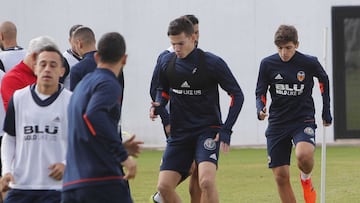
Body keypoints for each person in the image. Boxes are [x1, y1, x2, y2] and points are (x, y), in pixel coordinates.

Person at [149, 17, 244, 203]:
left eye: (181, 43)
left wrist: (226, 129)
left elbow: (237, 95)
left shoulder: (212, 63)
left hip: (207, 131)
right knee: (164, 187)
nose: (177, 48)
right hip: (179, 134)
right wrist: (159, 106)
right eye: (173, 44)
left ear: (193, 38)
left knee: (206, 182)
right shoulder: (166, 62)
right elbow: (162, 91)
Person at [255, 24, 332, 203]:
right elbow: (260, 91)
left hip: (302, 119)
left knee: (303, 154)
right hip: (277, 122)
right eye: (280, 48)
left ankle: (306, 179)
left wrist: (326, 110)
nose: (284, 52)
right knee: (281, 176)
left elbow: (324, 80)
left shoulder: (309, 62)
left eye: (288, 48)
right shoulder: (267, 64)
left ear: (296, 45)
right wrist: (260, 107)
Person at [62, 32, 136, 203]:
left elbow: (84, 125)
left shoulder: (81, 86)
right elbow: (94, 116)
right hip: (100, 180)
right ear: (124, 59)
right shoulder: (109, 83)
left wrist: (121, 147)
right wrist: (123, 156)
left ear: (97, 57)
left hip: (72, 182)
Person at [0, 45, 72, 203]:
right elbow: (10, 138)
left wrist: (67, 164)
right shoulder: (19, 98)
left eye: (53, 65)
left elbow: (81, 142)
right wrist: (6, 171)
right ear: (35, 68)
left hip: (57, 188)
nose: (47, 69)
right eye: (43, 64)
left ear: (62, 71)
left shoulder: (72, 101)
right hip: (21, 186)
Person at [149, 14, 201, 203]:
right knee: (188, 167)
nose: (196, 36)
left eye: (198, 32)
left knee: (197, 169)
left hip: (197, 124)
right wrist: (166, 120)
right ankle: (162, 194)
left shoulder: (198, 57)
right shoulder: (166, 58)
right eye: (194, 32)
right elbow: (156, 90)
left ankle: (163, 194)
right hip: (176, 123)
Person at [1, 36, 58, 111]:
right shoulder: (13, 78)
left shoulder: (41, 75)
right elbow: (19, 112)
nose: (48, 68)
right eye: (44, 62)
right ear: (34, 56)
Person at [69, 26, 97, 91]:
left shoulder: (77, 69)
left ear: (79, 44)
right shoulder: (112, 63)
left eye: (75, 45)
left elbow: (76, 99)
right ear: (94, 41)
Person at [62, 24, 83, 90]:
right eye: (75, 39)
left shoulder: (91, 58)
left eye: (81, 38)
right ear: (70, 40)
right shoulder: (64, 60)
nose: (79, 42)